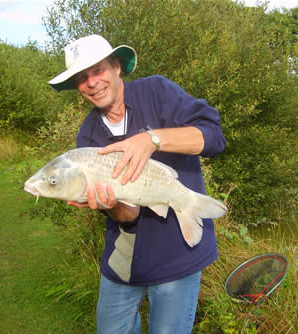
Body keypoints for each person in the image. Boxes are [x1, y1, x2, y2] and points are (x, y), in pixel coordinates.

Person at [48, 34, 226, 334]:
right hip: (124, 258)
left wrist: (153, 139)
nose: (92, 82)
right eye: (82, 77)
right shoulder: (88, 136)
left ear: (117, 67)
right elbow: (127, 215)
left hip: (177, 252)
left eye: (98, 70)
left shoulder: (156, 91)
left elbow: (213, 137)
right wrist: (112, 205)